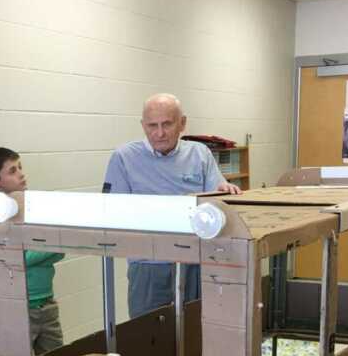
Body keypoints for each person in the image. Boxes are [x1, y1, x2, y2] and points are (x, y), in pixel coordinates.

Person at [103, 93, 243, 319]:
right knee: (147, 334)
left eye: (167, 124)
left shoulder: (199, 154)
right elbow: (112, 212)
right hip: (148, 265)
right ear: (143, 126)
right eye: (152, 126)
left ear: (182, 124)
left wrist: (226, 192)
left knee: (194, 328)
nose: (159, 133)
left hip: (193, 261)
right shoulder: (123, 158)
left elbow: (216, 197)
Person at [0, 146, 65, 355]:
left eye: (20, 167)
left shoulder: (32, 206)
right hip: (19, 305)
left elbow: (61, 249)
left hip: (46, 301)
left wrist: (42, 248)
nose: (21, 174)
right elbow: (14, 258)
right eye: (12, 171)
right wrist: (47, 247)